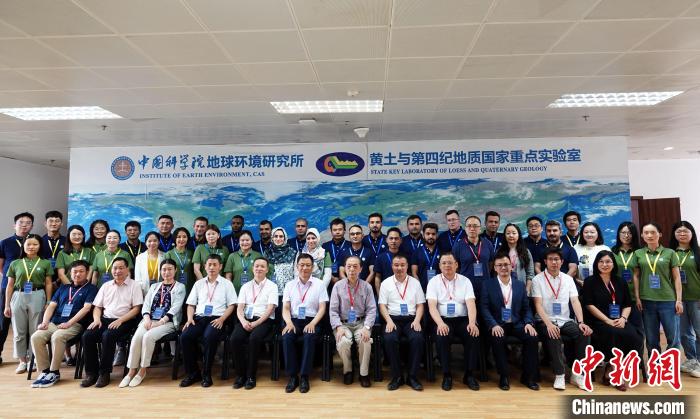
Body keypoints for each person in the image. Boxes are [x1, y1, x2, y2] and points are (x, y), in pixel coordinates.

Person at [581, 251, 643, 391]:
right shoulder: (590, 281)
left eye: (608, 261)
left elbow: (627, 304)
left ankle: (610, 368)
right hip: (598, 321)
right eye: (601, 262)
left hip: (619, 320)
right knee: (613, 334)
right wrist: (607, 320)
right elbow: (589, 305)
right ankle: (616, 373)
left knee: (634, 336)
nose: (605, 264)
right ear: (596, 264)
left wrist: (623, 318)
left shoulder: (620, 281)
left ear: (613, 264)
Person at [30, 260, 97, 388]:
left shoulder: (92, 289)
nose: (77, 274)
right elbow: (51, 306)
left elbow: (86, 308)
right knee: (36, 336)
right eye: (75, 271)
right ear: (70, 273)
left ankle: (54, 372)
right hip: (55, 323)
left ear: (87, 272)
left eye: (81, 271)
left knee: (58, 336)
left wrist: (69, 323)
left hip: (75, 324)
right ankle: (45, 371)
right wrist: (45, 322)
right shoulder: (63, 288)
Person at [532, 247, 591, 391]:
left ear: (562, 261)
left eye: (557, 259)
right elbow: (538, 305)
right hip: (544, 321)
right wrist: (549, 324)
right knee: (553, 334)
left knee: (583, 333)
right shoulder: (537, 280)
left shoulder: (568, 279)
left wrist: (581, 322)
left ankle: (577, 374)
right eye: (551, 259)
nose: (554, 262)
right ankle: (559, 374)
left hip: (565, 320)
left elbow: (575, 301)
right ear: (545, 261)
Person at [120, 259, 186, 388]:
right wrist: (146, 318)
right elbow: (146, 304)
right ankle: (131, 371)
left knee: (148, 337)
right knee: (137, 337)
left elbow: (176, 308)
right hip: (149, 320)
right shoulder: (154, 286)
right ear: (160, 271)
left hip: (168, 322)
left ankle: (142, 371)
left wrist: (161, 322)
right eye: (164, 269)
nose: (167, 272)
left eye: (170, 269)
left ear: (175, 270)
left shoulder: (180, 287)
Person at [480, 252, 539, 391]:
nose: (503, 267)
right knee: (497, 338)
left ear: (511, 266)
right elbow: (484, 308)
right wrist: (493, 324)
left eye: (506, 264)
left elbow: (526, 308)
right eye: (499, 265)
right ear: (495, 268)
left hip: (517, 323)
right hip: (498, 323)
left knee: (532, 337)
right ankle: (504, 376)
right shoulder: (487, 285)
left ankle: (528, 376)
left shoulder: (519, 285)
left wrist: (529, 323)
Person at [80, 257, 143, 388]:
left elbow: (136, 309)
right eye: (115, 268)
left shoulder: (134, 285)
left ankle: (104, 373)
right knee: (87, 336)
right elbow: (97, 307)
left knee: (107, 336)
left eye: (121, 268)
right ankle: (91, 373)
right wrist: (97, 319)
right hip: (105, 319)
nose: (117, 271)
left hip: (125, 321)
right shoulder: (106, 285)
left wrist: (120, 320)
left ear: (127, 270)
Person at [180, 254, 237, 388]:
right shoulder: (198, 284)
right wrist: (189, 318)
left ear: (220, 267)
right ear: (204, 267)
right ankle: (193, 373)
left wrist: (222, 319)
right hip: (199, 318)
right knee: (185, 336)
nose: (211, 267)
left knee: (209, 336)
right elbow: (191, 304)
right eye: (209, 265)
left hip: (217, 318)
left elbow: (232, 305)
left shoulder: (227, 284)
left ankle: (206, 374)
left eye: (214, 265)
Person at [427, 252, 480, 391]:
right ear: (439, 266)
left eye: (450, 262)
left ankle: (469, 374)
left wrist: (472, 322)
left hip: (463, 320)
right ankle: (447, 375)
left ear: (456, 265)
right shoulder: (433, 282)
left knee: (473, 334)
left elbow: (471, 304)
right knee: (441, 336)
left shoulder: (465, 281)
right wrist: (440, 323)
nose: (447, 265)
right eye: (444, 263)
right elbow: (432, 306)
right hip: (442, 320)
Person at [4, 234, 53, 373]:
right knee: (19, 331)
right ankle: (22, 361)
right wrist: (7, 305)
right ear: (23, 246)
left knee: (35, 330)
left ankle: (33, 359)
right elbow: (10, 285)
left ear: (40, 246)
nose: (31, 247)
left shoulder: (45, 263)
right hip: (18, 296)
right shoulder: (15, 263)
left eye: (35, 244)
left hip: (37, 295)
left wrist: (48, 301)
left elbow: (48, 283)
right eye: (28, 244)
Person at [281, 253, 329, 393]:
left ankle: (304, 376)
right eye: (302, 265)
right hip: (294, 320)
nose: (305, 268)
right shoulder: (289, 285)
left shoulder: (319, 284)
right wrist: (288, 323)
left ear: (313, 267)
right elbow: (286, 308)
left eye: (308, 265)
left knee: (309, 337)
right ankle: (292, 376)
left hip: (312, 320)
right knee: (287, 337)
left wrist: (313, 323)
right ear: (297, 267)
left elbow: (322, 308)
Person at [378, 253, 426, 391]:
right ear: (392, 266)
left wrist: (417, 321)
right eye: (396, 265)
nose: (399, 268)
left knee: (418, 338)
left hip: (411, 319)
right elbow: (382, 305)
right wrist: (388, 321)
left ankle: (412, 377)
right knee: (389, 339)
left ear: (407, 266)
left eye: (402, 265)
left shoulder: (415, 283)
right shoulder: (386, 283)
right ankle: (397, 376)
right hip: (392, 319)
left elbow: (420, 305)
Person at [633, 222, 683, 355]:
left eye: (653, 232)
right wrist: (637, 298)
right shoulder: (638, 253)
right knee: (651, 339)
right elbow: (636, 276)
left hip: (668, 301)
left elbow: (677, 277)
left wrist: (678, 300)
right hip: (647, 301)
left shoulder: (670, 253)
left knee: (673, 338)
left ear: (659, 234)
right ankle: (655, 364)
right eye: (646, 233)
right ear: (642, 235)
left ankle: (671, 364)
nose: (649, 235)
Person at [230, 257, 278, 390]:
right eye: (257, 266)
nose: (259, 269)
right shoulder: (245, 286)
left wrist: (256, 323)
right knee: (235, 339)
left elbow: (270, 309)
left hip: (264, 320)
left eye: (262, 266)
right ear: (253, 268)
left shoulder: (272, 286)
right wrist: (243, 321)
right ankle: (240, 375)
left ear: (267, 270)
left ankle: (251, 376)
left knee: (254, 339)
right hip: (245, 320)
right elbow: (240, 308)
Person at [329, 256, 376, 387]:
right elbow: (333, 310)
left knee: (365, 340)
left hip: (361, 323)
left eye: (355, 266)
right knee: (343, 342)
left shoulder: (367, 287)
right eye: (349, 266)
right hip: (343, 324)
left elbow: (372, 310)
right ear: (344, 268)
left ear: (360, 269)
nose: (351, 269)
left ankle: (364, 373)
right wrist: (338, 327)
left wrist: (367, 327)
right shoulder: (337, 286)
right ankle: (348, 370)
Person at [0, 212, 34, 364]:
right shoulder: (5, 243)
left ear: (32, 226)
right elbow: (1, 266)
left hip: (29, 288)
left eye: (28, 223)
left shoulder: (35, 242)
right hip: (9, 287)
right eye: (21, 222)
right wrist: (13, 278)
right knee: (3, 321)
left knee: (26, 322)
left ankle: (26, 356)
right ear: (15, 225)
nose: (24, 225)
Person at [670, 221, 700, 377]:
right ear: (674, 234)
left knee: (699, 330)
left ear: (692, 233)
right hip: (678, 300)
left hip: (697, 298)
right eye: (679, 231)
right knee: (684, 333)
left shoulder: (698, 251)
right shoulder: (669, 253)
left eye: (685, 231)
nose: (682, 234)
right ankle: (692, 360)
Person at [452, 215, 494, 300]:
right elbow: (455, 267)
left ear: (480, 229)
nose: (472, 229)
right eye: (469, 226)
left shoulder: (488, 244)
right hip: (465, 288)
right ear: (465, 228)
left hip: (485, 287)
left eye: (475, 226)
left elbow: (491, 263)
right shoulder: (458, 246)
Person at [268, 227, 297, 320]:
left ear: (285, 238)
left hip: (289, 292)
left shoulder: (293, 253)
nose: (278, 238)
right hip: (272, 292)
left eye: (281, 236)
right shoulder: (267, 253)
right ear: (272, 238)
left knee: (286, 318)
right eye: (275, 236)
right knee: (273, 319)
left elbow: (296, 273)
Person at [573, 222, 611, 287]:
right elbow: (572, 268)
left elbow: (610, 269)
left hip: (600, 285)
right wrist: (578, 281)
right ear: (582, 234)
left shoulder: (605, 249)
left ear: (597, 233)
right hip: (580, 285)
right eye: (586, 232)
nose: (589, 234)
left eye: (592, 232)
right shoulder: (576, 248)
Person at [498, 223, 534, 289]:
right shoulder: (500, 252)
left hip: (521, 288)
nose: (511, 235)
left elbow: (530, 273)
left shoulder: (525, 251)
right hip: (504, 288)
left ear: (518, 235)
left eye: (514, 233)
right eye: (508, 233)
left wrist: (527, 290)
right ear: (504, 235)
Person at [164, 227, 195, 292]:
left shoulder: (192, 253)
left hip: (190, 287)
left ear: (188, 238)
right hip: (173, 288)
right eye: (178, 237)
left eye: (184, 237)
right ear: (175, 238)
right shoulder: (169, 254)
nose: (181, 239)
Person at [411, 223, 440, 291]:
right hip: (422, 290)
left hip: (439, 290)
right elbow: (414, 273)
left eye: (433, 234)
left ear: (437, 235)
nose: (431, 236)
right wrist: (419, 289)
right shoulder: (417, 252)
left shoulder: (442, 251)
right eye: (428, 234)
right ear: (423, 235)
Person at [134, 232, 164, 296]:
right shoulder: (139, 258)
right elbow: (138, 279)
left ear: (159, 242)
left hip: (161, 291)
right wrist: (141, 292)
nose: (152, 243)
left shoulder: (164, 256)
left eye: (155, 241)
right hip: (144, 292)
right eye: (149, 241)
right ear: (145, 243)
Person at [322, 218, 348, 283]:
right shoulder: (325, 246)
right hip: (329, 280)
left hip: (347, 280)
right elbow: (321, 265)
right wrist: (332, 278)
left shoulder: (350, 245)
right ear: (331, 231)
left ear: (344, 231)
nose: (337, 232)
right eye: (335, 230)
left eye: (340, 229)